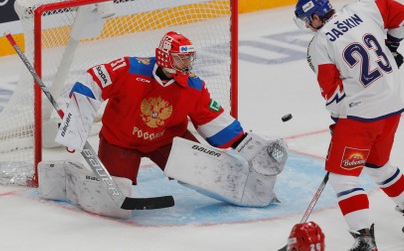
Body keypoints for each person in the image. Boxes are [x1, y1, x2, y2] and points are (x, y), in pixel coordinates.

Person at [38, 31, 287, 218]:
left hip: (168, 140)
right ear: (166, 57)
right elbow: (93, 79)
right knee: (113, 202)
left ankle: (253, 193)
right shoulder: (130, 69)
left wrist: (248, 145)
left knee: (214, 171)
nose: (188, 65)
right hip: (120, 140)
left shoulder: (193, 87)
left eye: (189, 59)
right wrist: (75, 126)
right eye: (182, 60)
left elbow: (213, 119)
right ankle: (65, 178)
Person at [294, 0, 404, 250]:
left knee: (343, 178)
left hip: (361, 116)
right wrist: (391, 47)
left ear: (315, 16)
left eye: (307, 20)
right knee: (377, 163)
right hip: (392, 103)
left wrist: (339, 121)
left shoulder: (319, 44)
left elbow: (333, 93)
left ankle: (364, 240)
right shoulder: (361, 8)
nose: (307, 25)